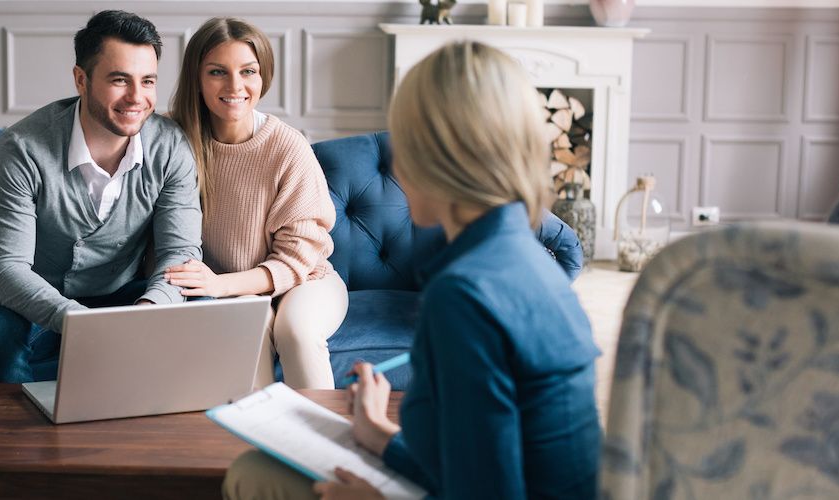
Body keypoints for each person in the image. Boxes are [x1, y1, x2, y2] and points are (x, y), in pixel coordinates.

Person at [223, 41, 601, 499]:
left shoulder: (466, 294)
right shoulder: (518, 258)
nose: (398, 165)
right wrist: (379, 435)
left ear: (439, 156)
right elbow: (475, 458)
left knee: (251, 474)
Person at [0, 10, 202, 382]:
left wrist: (151, 307)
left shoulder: (170, 146)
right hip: (36, 294)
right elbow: (7, 269)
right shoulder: (22, 148)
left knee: (196, 309)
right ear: (81, 80)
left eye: (147, 81)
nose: (137, 97)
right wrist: (82, 323)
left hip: (126, 292)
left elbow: (179, 252)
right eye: (119, 80)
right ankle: (21, 437)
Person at [166, 17, 348, 390]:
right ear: (197, 78)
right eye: (218, 72)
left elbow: (297, 260)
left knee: (296, 331)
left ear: (264, 76)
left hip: (305, 279)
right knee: (247, 328)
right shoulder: (174, 140)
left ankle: (322, 446)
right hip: (230, 288)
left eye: (248, 71)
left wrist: (219, 285)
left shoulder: (286, 146)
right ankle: (260, 439)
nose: (235, 86)